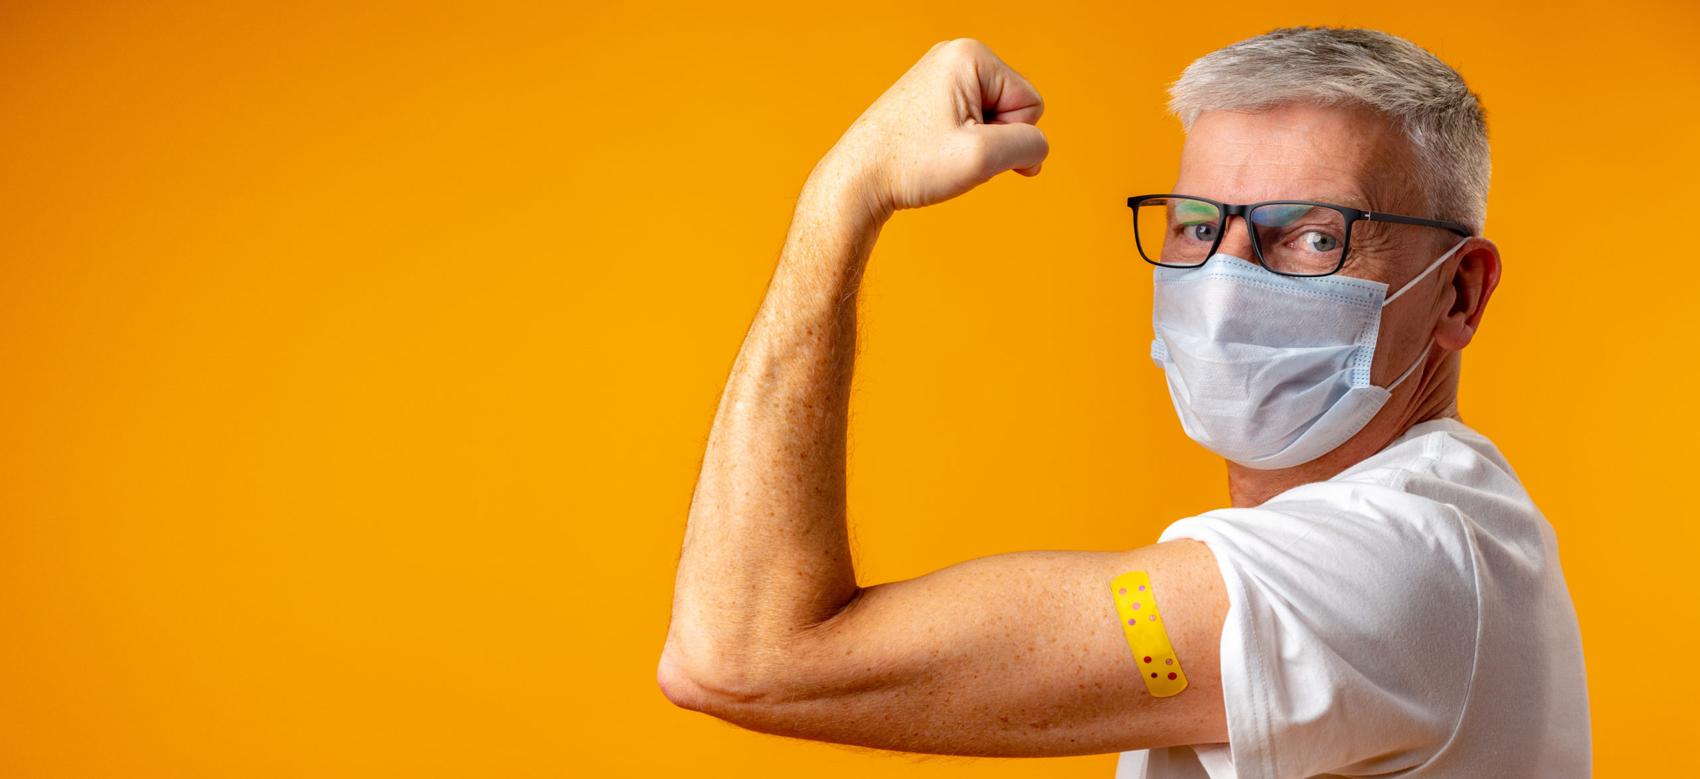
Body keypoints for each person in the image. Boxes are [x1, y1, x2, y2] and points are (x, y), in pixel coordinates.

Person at [657, 26, 1590, 778]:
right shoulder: (1443, 529)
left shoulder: (1385, 568)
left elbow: (741, 653)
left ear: (1459, 293)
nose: (1224, 278)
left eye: (1311, 236)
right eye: (1195, 225)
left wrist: (844, 194)